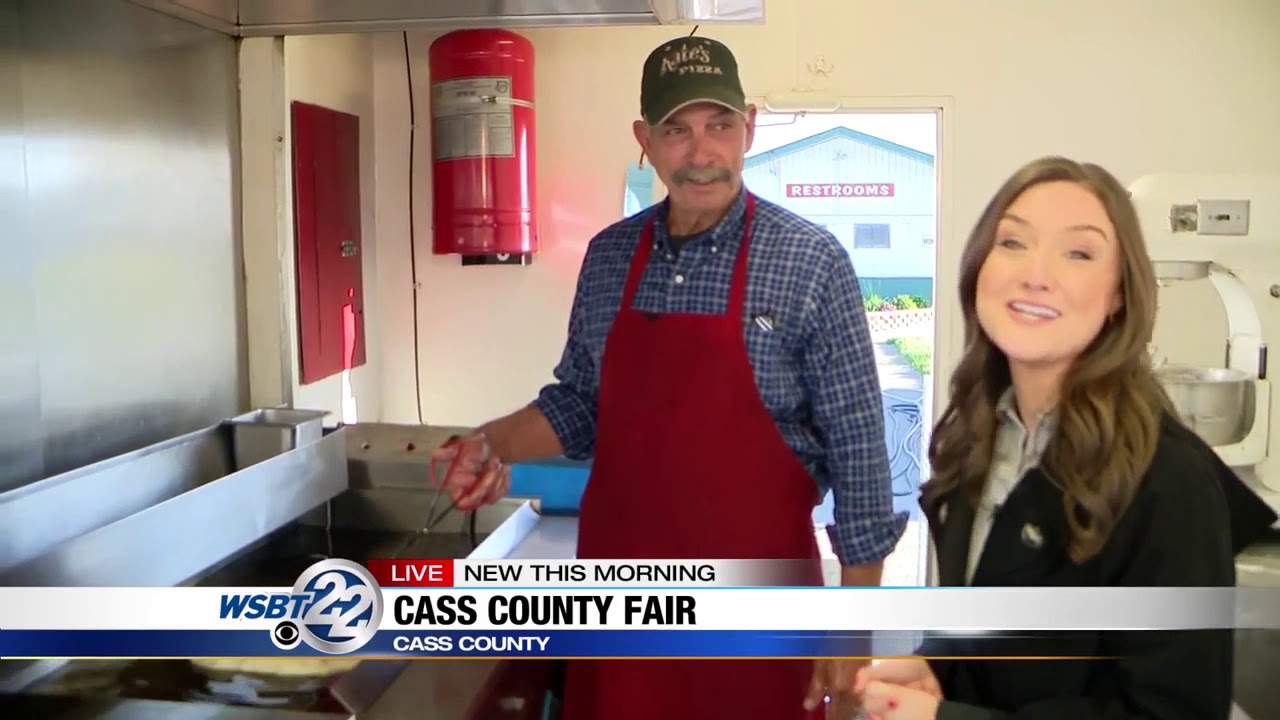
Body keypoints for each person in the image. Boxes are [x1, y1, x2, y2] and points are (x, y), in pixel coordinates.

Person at [431, 35, 907, 720]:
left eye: (719, 125)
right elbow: (581, 405)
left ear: (749, 125)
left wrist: (853, 623)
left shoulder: (811, 262)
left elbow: (860, 455)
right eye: (676, 130)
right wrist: (489, 443)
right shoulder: (608, 257)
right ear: (644, 140)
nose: (702, 152)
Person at [849, 156, 1278, 720]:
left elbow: (1173, 709)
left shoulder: (1170, 479)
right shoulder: (975, 438)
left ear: (1120, 294)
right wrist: (939, 663)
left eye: (1078, 253)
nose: (1036, 273)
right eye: (1012, 243)